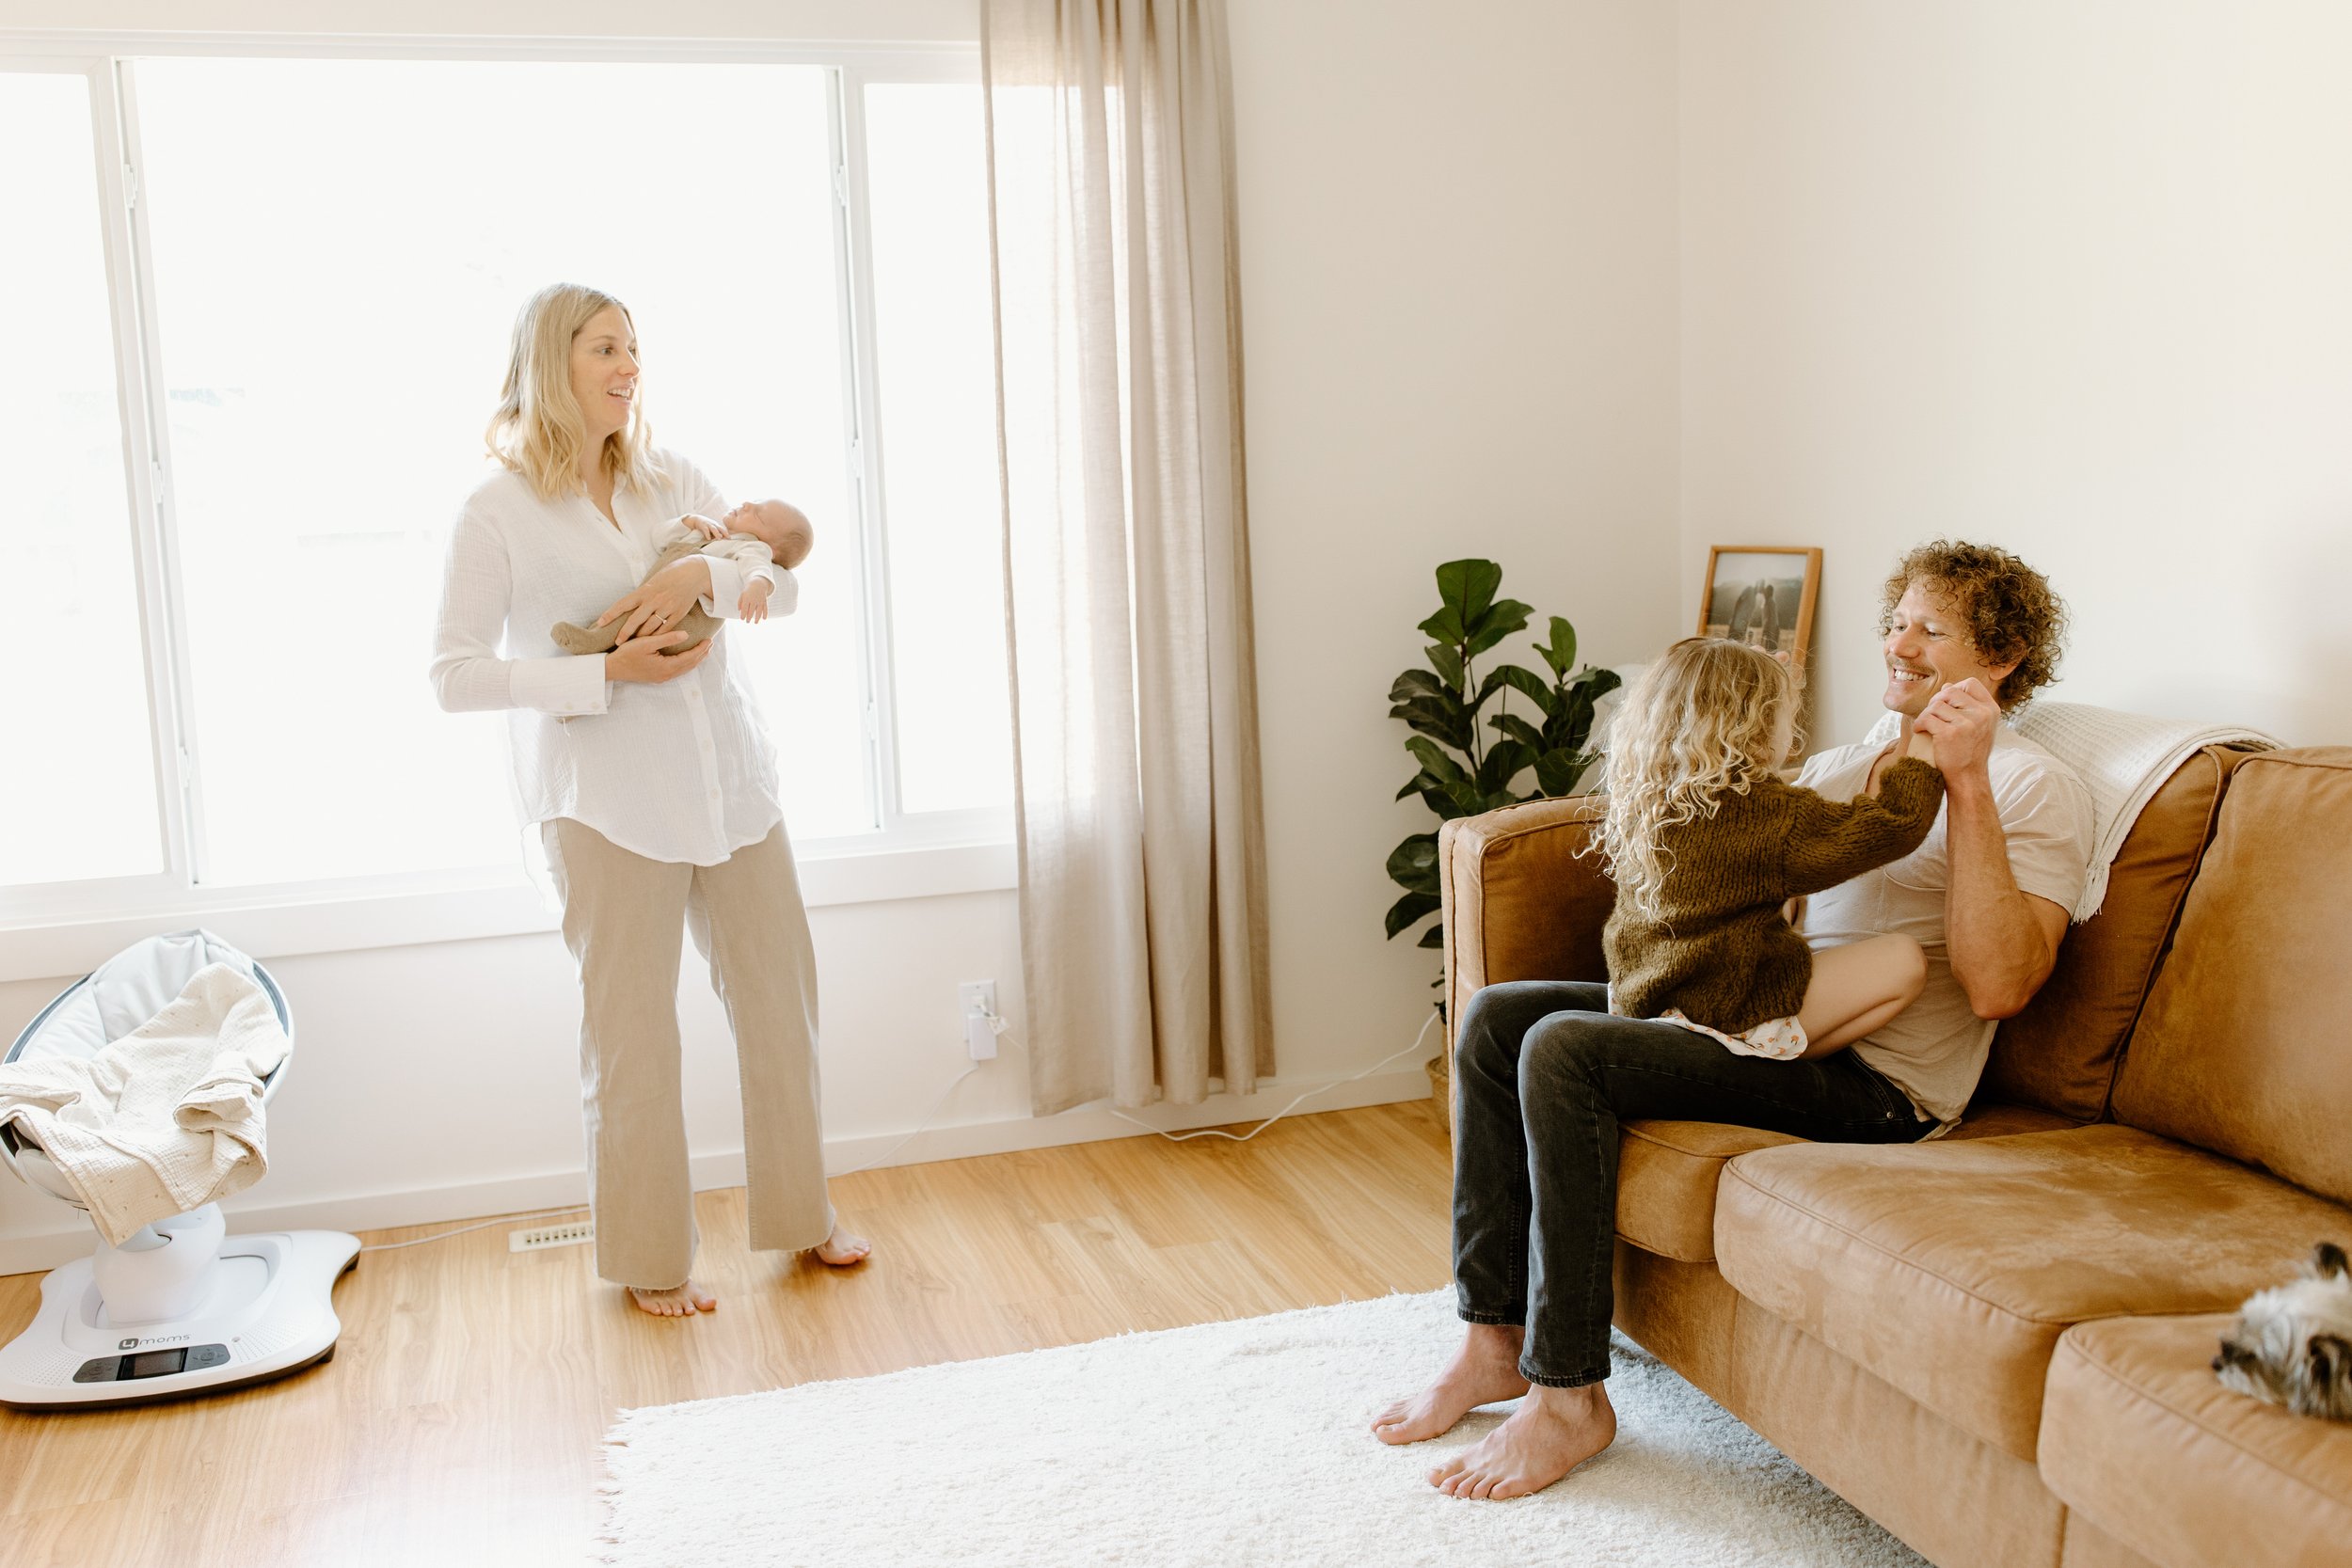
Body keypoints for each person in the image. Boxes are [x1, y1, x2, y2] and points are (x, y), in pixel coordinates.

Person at [1373, 539, 2093, 1498]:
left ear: (2000, 659)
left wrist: (1961, 778)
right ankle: (1491, 1337)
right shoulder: (1847, 761)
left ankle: (1569, 1391)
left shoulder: (2035, 784)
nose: (1898, 643)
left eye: (1933, 628)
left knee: (1564, 1049)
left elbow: (2000, 984)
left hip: (1874, 1084)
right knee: (1502, 1018)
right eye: (1897, 620)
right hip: (1762, 1022)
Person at [429, 282, 868, 1320]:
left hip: (733, 787)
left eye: (633, 346)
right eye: (604, 348)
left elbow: (786, 583)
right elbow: (452, 675)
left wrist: (699, 576)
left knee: (779, 1005)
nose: (628, 364)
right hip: (608, 805)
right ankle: (650, 1256)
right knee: (631, 1035)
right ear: (553, 364)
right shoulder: (494, 512)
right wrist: (606, 676)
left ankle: (803, 1214)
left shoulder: (676, 477)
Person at [1597, 637, 1945, 1064]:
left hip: (1648, 995)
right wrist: (1926, 745)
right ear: (1757, 728)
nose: (1793, 730)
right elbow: (1895, 824)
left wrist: (1770, 682)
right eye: (1786, 716)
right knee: (1902, 959)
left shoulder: (1648, 800)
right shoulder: (1766, 816)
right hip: (1723, 1009)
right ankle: (1754, 1064)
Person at [549, 499, 815, 655]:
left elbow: (757, 567)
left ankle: (593, 640)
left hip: (688, 622)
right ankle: (595, 668)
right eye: (754, 502)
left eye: (757, 514)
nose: (746, 504)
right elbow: (659, 539)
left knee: (630, 620)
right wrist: (689, 521)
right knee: (633, 623)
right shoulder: (713, 533)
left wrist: (758, 585)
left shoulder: (750, 546)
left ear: (771, 547)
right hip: (666, 608)